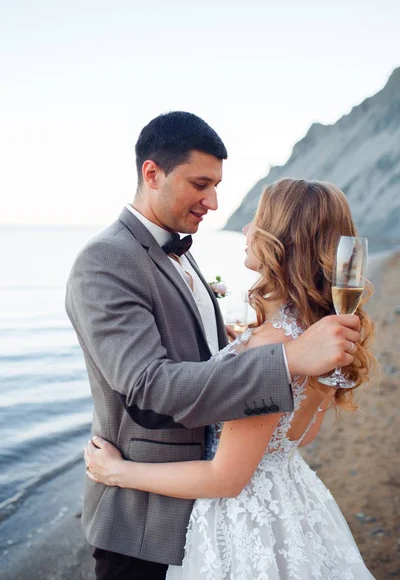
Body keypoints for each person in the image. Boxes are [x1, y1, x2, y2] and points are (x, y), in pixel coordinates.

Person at [66, 113, 361, 580]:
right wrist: (280, 357)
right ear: (152, 173)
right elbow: (147, 382)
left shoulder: (185, 252)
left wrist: (237, 342)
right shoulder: (105, 260)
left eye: (217, 185)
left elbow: (195, 353)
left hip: (209, 501)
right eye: (201, 184)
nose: (216, 203)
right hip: (144, 515)